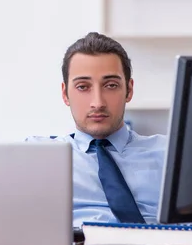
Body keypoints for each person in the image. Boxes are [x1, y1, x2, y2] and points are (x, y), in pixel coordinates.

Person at [27, 32, 167, 227]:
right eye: (83, 87)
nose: (98, 103)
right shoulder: (36, 155)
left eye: (111, 85)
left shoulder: (170, 154)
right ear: (65, 94)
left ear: (129, 90)